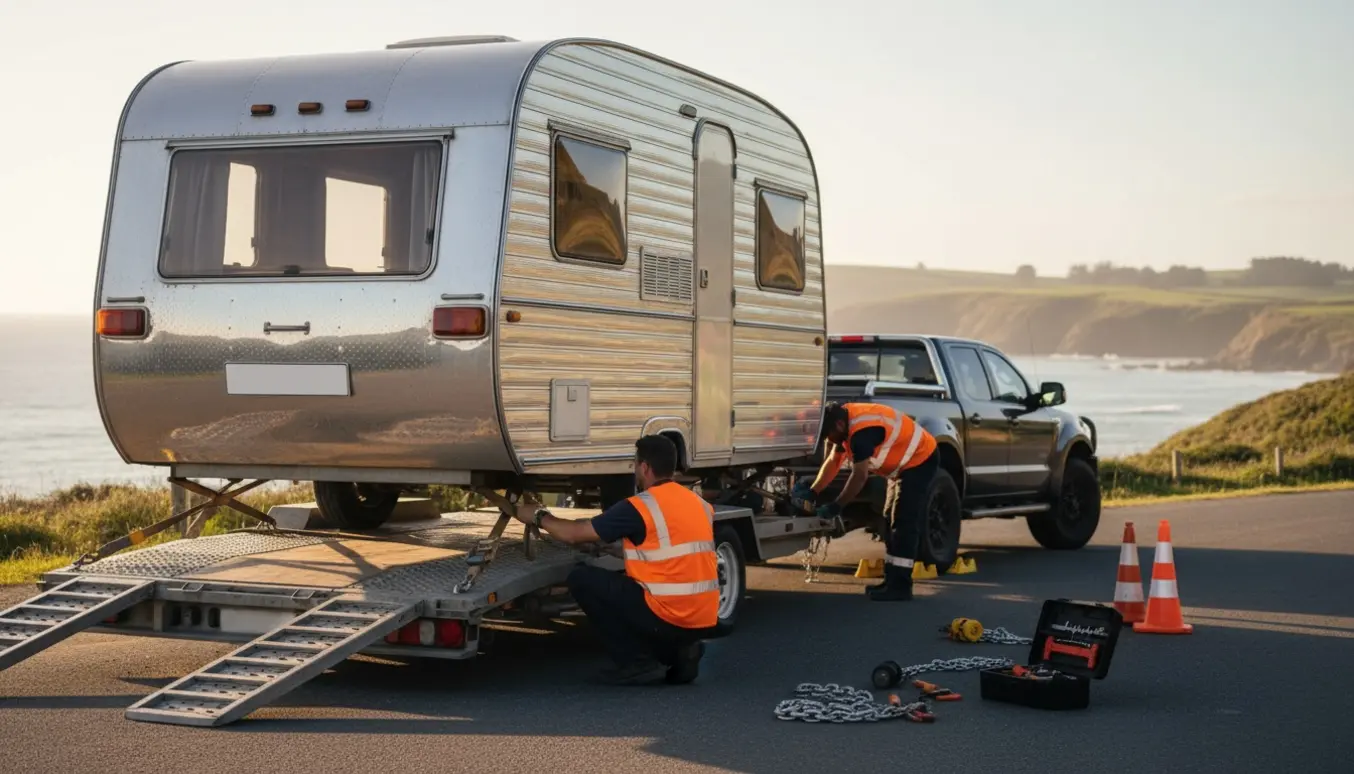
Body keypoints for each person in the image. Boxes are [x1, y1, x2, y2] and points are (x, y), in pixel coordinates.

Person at [511, 434, 720, 685]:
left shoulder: (641, 506)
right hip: (702, 618)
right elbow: (668, 549)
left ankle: (637, 662)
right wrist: (611, 548)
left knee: (583, 579)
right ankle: (683, 651)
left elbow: (573, 534)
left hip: (668, 615)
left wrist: (538, 516)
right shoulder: (698, 504)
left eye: (635, 464)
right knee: (633, 594)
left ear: (645, 467)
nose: (635, 471)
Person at [794, 401, 939, 601]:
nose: (829, 440)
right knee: (888, 518)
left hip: (921, 460)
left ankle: (901, 587)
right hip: (903, 467)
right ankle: (892, 580)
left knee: (903, 522)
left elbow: (859, 477)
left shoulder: (861, 434)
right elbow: (834, 461)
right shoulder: (845, 421)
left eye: (829, 435)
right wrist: (814, 491)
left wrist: (837, 505)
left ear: (838, 425)